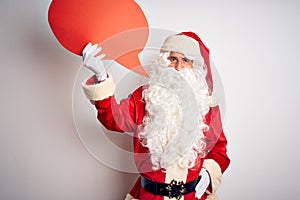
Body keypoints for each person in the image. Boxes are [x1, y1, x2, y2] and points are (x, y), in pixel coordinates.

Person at [81, 31, 230, 200]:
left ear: (193, 66)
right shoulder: (145, 97)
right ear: (163, 62)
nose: (179, 67)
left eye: (186, 60)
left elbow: (219, 150)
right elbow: (113, 119)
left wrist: (210, 174)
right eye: (173, 59)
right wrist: (101, 76)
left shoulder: (206, 105)